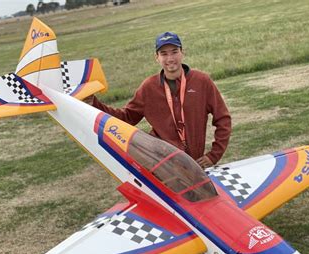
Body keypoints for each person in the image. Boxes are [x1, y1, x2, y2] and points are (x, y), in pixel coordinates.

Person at [89, 31, 232, 168]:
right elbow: (126, 117)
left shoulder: (202, 81)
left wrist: (214, 155)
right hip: (160, 164)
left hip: (194, 165)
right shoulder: (148, 87)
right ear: (156, 57)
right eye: (164, 54)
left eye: (174, 52)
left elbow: (223, 118)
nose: (170, 58)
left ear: (183, 52)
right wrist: (93, 103)